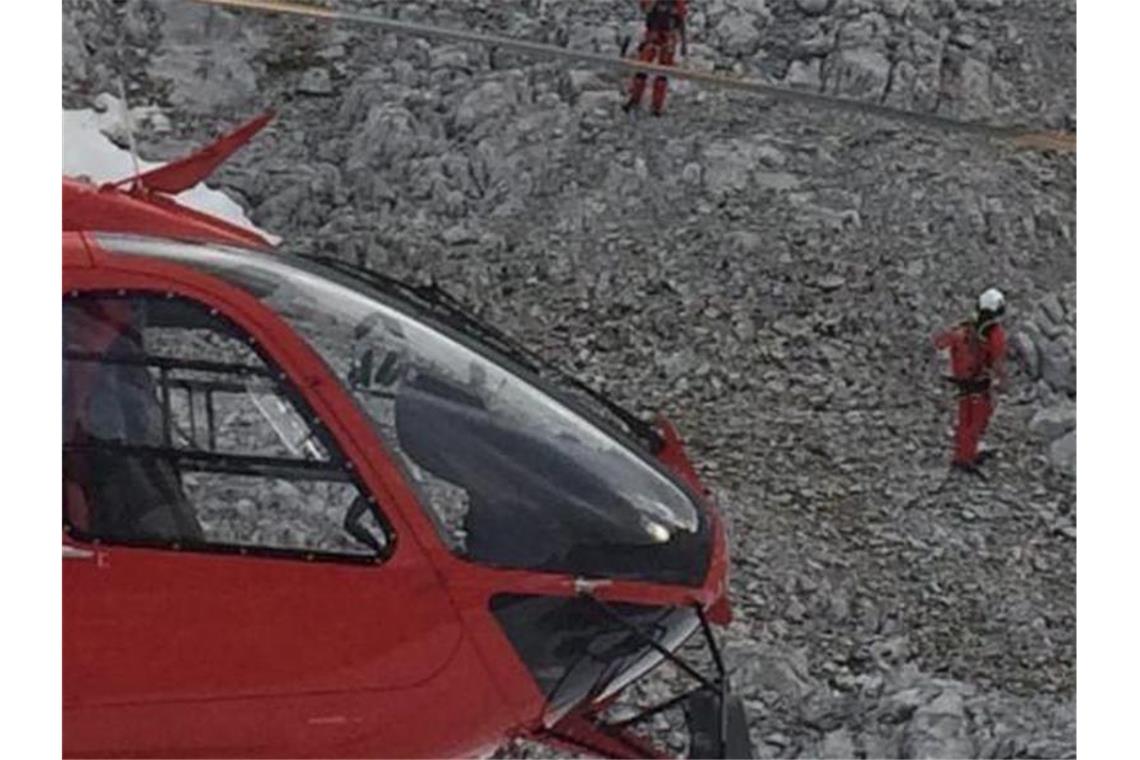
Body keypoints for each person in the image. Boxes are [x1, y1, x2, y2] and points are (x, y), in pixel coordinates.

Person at [933, 288, 1008, 475]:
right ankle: (966, 458)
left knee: (964, 417)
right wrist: (1002, 380)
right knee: (977, 420)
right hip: (979, 381)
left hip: (962, 380)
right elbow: (997, 360)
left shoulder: (968, 325)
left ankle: (962, 453)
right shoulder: (994, 332)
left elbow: (942, 342)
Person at [623, 0, 688, 116]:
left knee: (663, 73)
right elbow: (645, 8)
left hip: (668, 35)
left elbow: (681, 18)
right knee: (642, 67)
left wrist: (683, 43)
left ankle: (656, 106)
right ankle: (635, 99)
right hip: (653, 33)